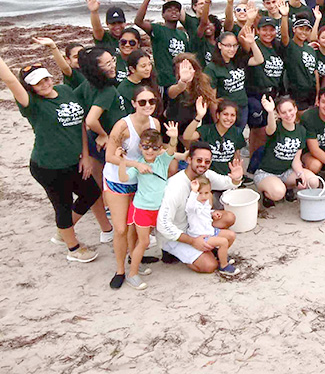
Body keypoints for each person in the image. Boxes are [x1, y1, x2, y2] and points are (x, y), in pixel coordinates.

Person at [1, 55, 100, 264]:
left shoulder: (64, 91)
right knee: (62, 206)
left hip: (75, 161)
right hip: (49, 166)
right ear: (30, 88)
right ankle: (73, 248)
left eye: (45, 78)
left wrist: (86, 155)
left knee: (91, 192)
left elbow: (80, 123)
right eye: (37, 83)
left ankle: (63, 231)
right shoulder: (31, 105)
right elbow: (10, 80)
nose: (44, 84)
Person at [103, 85, 161, 289]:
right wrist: (134, 164)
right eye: (143, 102)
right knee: (120, 228)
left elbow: (157, 151)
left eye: (152, 101)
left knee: (134, 226)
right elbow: (109, 156)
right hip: (118, 180)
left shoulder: (155, 123)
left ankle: (134, 259)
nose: (147, 105)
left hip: (140, 182)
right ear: (134, 103)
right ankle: (120, 270)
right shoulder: (122, 126)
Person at [117, 122, 184, 289]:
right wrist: (122, 162)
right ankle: (132, 274)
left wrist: (174, 137)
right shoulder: (138, 164)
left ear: (159, 148)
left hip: (158, 208)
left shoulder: (162, 160)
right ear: (140, 147)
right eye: (146, 146)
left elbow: (171, 150)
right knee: (144, 242)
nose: (150, 151)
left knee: (144, 240)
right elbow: (124, 178)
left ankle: (136, 264)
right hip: (142, 208)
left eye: (154, 147)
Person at [157, 141, 240, 273]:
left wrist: (236, 177)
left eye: (207, 161)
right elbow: (163, 224)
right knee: (209, 266)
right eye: (199, 160)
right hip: (179, 233)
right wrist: (192, 241)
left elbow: (226, 182)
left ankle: (209, 249)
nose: (203, 164)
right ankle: (173, 251)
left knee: (229, 217)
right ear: (189, 159)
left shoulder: (205, 175)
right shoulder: (175, 186)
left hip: (196, 225)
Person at [254, 95, 321, 207]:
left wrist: (300, 175)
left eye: (290, 110)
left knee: (313, 181)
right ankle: (268, 193)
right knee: (278, 192)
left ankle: (288, 187)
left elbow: (296, 159)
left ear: (295, 109)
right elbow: (270, 128)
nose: (288, 115)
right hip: (266, 173)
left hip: (286, 171)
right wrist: (270, 112)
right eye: (284, 112)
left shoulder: (301, 131)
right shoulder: (276, 128)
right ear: (279, 114)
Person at [205, 24, 264, 131]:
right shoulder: (212, 68)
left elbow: (259, 60)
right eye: (227, 45)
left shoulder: (238, 60)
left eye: (235, 45)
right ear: (219, 45)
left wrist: (252, 43)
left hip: (242, 107)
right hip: (225, 112)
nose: (232, 49)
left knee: (237, 138)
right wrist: (216, 122)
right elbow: (212, 99)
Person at [133, 0, 189, 93]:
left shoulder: (182, 35)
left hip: (181, 80)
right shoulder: (158, 30)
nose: (174, 12)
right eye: (169, 10)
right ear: (163, 15)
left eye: (176, 10)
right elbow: (138, 21)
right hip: (164, 82)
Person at [246, 16, 286, 156]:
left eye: (271, 30)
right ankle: (253, 162)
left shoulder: (277, 46)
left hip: (273, 93)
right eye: (264, 30)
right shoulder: (254, 45)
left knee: (270, 128)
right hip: (256, 92)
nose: (268, 33)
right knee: (257, 130)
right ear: (257, 30)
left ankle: (261, 158)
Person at [186, 177, 239, 276]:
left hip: (209, 230)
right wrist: (193, 192)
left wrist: (213, 213)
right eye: (200, 193)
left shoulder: (205, 202)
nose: (203, 196)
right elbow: (190, 207)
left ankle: (220, 255)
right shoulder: (193, 205)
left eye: (206, 193)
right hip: (200, 236)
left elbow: (205, 213)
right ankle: (224, 266)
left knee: (231, 235)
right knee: (223, 241)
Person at [183, 97, 245, 177]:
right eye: (225, 114)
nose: (229, 118)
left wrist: (237, 173)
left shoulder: (236, 132)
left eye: (232, 115)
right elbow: (187, 136)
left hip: (227, 176)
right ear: (218, 115)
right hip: (207, 175)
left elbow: (236, 155)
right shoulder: (207, 130)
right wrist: (199, 117)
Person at [280, 8, 320, 112]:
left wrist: (318, 93)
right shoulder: (290, 46)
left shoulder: (310, 49)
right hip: (296, 91)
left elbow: (315, 72)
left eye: (307, 30)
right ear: (294, 29)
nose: (304, 32)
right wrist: (284, 16)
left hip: (311, 91)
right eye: (301, 28)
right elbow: (284, 35)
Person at [116, 50, 157, 114]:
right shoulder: (124, 89)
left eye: (149, 64)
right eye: (143, 66)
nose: (148, 68)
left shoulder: (148, 81)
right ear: (132, 69)